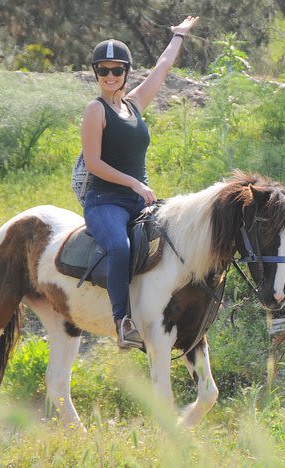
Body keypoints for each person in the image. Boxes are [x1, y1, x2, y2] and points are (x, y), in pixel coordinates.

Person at [81, 16, 199, 350]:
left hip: (139, 200)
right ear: (96, 73)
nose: (109, 77)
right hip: (106, 201)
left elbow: (162, 66)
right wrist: (134, 184)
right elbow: (94, 163)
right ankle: (123, 321)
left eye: (117, 70)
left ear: (126, 72)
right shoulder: (95, 110)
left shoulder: (134, 104)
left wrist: (178, 34)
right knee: (120, 247)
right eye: (103, 70)